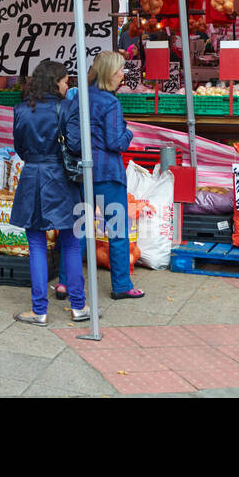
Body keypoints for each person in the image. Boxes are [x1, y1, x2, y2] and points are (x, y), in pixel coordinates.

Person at [11, 60, 88, 323]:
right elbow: (76, 146)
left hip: (32, 176)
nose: (69, 85)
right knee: (71, 242)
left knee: (36, 245)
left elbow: (19, 148)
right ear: (55, 82)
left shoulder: (21, 110)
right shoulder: (68, 108)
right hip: (62, 179)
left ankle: (39, 310)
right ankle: (79, 307)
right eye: (66, 81)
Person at [63, 50, 142, 300]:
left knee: (77, 229)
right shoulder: (111, 103)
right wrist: (129, 132)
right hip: (108, 173)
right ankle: (121, 285)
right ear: (109, 73)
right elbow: (116, 141)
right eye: (120, 70)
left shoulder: (78, 97)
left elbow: (73, 140)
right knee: (117, 231)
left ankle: (65, 282)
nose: (123, 74)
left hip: (81, 172)